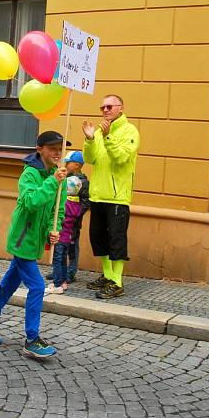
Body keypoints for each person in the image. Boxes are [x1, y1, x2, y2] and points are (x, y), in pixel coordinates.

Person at [0, 131, 67, 359]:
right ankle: (31, 339)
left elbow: (59, 210)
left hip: (35, 241)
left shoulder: (59, 176)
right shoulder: (30, 174)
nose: (57, 153)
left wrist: (52, 231)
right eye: (52, 148)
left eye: (60, 148)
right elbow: (31, 202)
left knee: (9, 284)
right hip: (22, 240)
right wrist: (52, 181)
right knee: (37, 287)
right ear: (40, 149)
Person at [82, 94, 140, 299]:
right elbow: (90, 159)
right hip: (98, 195)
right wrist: (90, 140)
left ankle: (117, 281)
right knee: (98, 238)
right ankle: (107, 276)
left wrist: (107, 138)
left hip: (117, 197)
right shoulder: (99, 131)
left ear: (120, 108)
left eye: (109, 106)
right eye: (102, 107)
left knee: (116, 240)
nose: (105, 110)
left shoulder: (130, 130)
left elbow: (122, 157)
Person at [45, 151, 89, 294]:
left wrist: (74, 215)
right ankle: (61, 276)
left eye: (68, 162)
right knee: (63, 254)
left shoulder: (82, 182)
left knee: (70, 250)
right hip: (69, 224)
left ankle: (68, 273)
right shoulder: (68, 178)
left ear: (76, 165)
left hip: (70, 226)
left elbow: (85, 202)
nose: (65, 164)